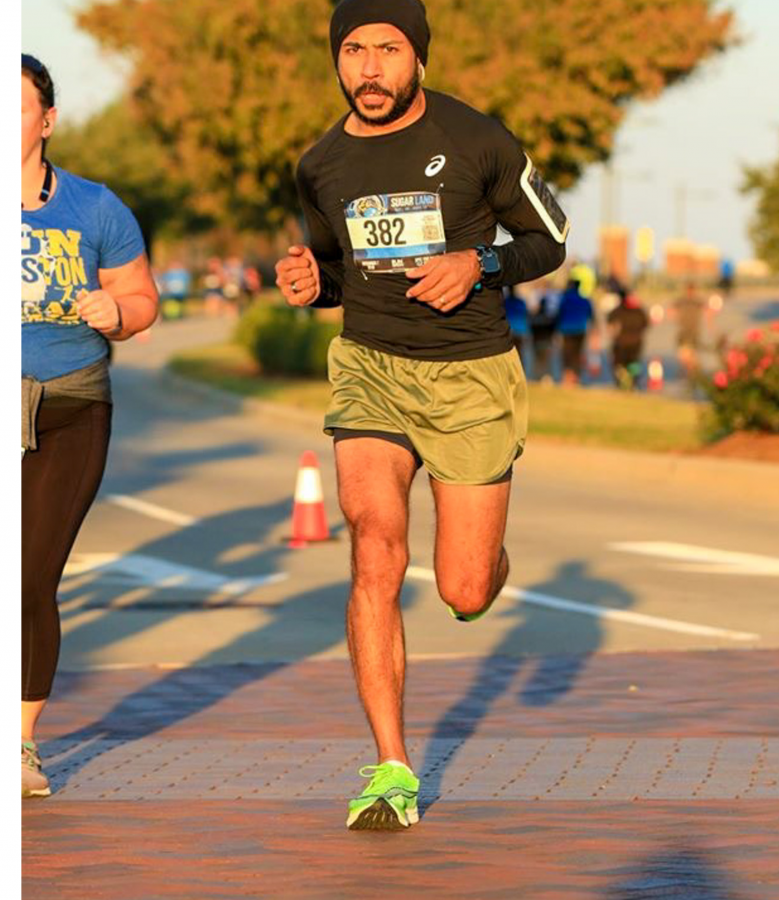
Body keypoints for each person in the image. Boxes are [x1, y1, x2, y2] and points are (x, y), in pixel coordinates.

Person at [274, 0, 568, 830]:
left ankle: (487, 565)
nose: (370, 68)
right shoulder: (319, 163)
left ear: (419, 61)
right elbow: (339, 270)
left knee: (463, 588)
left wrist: (476, 263)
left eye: (388, 50)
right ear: (338, 60)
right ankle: (392, 767)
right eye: (355, 51)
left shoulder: (479, 137)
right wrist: (309, 283)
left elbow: (548, 239)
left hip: (469, 375)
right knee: (373, 544)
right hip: (369, 368)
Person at [21, 54, 158, 798]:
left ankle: (18, 743)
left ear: (46, 120)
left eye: (12, 108)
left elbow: (142, 299)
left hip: (70, 403)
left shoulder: (95, 207)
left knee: (29, 575)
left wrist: (120, 314)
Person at [555, 275, 595, 386]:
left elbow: (559, 313)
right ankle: (576, 377)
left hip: (566, 330)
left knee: (567, 353)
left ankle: (567, 377)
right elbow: (591, 315)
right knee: (577, 354)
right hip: (580, 330)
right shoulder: (585, 300)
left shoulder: (565, 298)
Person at [607, 289, 650, 389]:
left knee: (620, 363)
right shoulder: (639, 310)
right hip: (635, 341)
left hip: (622, 341)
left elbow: (610, 322)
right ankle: (632, 381)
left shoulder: (619, 309)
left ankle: (625, 381)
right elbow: (646, 324)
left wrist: (613, 333)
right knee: (633, 362)